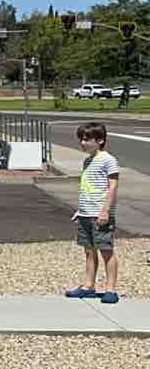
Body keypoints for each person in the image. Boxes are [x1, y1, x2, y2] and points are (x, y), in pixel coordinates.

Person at [65, 122, 121, 304]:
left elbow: (112, 187)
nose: (83, 143)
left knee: (106, 251)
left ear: (100, 140)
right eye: (81, 139)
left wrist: (105, 211)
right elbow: (87, 188)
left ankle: (111, 289)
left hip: (100, 214)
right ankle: (88, 286)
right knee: (89, 251)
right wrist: (80, 210)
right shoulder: (88, 161)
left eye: (87, 139)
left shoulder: (108, 160)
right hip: (85, 213)